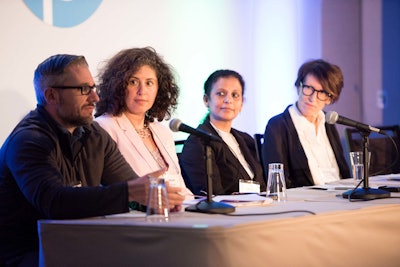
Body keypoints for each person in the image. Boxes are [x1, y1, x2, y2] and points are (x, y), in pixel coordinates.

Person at [0, 54, 184, 266]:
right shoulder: (28, 140)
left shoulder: (94, 134)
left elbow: (130, 186)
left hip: (80, 246)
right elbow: (55, 202)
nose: (95, 98)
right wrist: (131, 192)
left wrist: (157, 200)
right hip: (30, 255)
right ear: (51, 96)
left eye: (93, 88)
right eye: (83, 89)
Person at [95, 47, 193, 199]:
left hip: (175, 213)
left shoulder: (162, 132)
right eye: (133, 82)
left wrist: (193, 205)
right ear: (119, 86)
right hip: (134, 215)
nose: (142, 91)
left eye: (149, 83)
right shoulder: (104, 127)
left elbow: (179, 185)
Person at [261, 59, 351, 188]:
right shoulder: (277, 126)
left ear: (330, 99)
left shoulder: (328, 122)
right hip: (307, 201)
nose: (312, 98)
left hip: (340, 194)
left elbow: (342, 170)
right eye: (308, 88)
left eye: (322, 93)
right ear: (299, 86)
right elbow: (278, 183)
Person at [179, 69, 266, 196]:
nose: (228, 100)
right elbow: (213, 194)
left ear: (242, 103)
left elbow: (262, 184)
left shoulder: (246, 139)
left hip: (259, 207)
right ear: (206, 100)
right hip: (228, 213)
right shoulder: (197, 142)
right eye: (221, 93)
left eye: (235, 95)